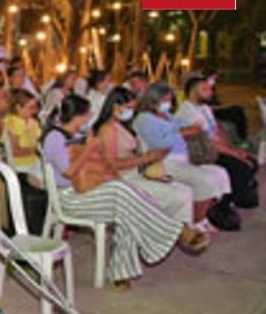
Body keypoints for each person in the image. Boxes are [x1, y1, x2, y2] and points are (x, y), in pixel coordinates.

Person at [42, 95, 208, 287]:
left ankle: (122, 271)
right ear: (77, 116)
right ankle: (177, 230)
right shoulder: (55, 138)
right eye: (87, 114)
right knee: (122, 191)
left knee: (129, 201)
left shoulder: (78, 136)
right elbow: (69, 173)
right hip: (68, 199)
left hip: (87, 192)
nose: (90, 118)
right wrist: (89, 149)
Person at [92, 87, 197, 228]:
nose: (131, 112)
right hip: (122, 179)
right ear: (116, 107)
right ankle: (175, 231)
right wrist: (146, 158)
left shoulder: (121, 125)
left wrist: (152, 156)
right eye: (129, 108)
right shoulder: (107, 129)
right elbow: (111, 164)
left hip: (135, 173)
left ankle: (176, 230)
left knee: (185, 190)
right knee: (178, 195)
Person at [133, 82, 232, 229]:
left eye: (169, 100)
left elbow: (181, 124)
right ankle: (195, 224)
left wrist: (192, 127)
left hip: (183, 159)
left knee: (220, 173)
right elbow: (159, 143)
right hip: (164, 162)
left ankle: (201, 215)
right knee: (206, 181)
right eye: (164, 100)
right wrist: (185, 132)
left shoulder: (166, 115)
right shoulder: (144, 119)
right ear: (153, 99)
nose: (168, 103)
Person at [175, 75, 258, 209]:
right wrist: (235, 154)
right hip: (199, 153)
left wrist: (234, 150)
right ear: (193, 92)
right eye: (205, 89)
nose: (210, 92)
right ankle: (228, 201)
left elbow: (216, 132)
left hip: (212, 148)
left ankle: (236, 193)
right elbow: (208, 142)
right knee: (241, 167)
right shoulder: (188, 112)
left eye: (210, 89)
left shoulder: (204, 108)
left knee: (251, 162)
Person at [2, 88, 47, 234]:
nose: (34, 111)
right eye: (30, 107)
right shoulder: (14, 122)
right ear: (18, 108)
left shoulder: (32, 122)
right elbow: (15, 150)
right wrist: (35, 150)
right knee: (44, 182)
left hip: (32, 162)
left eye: (35, 107)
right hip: (21, 165)